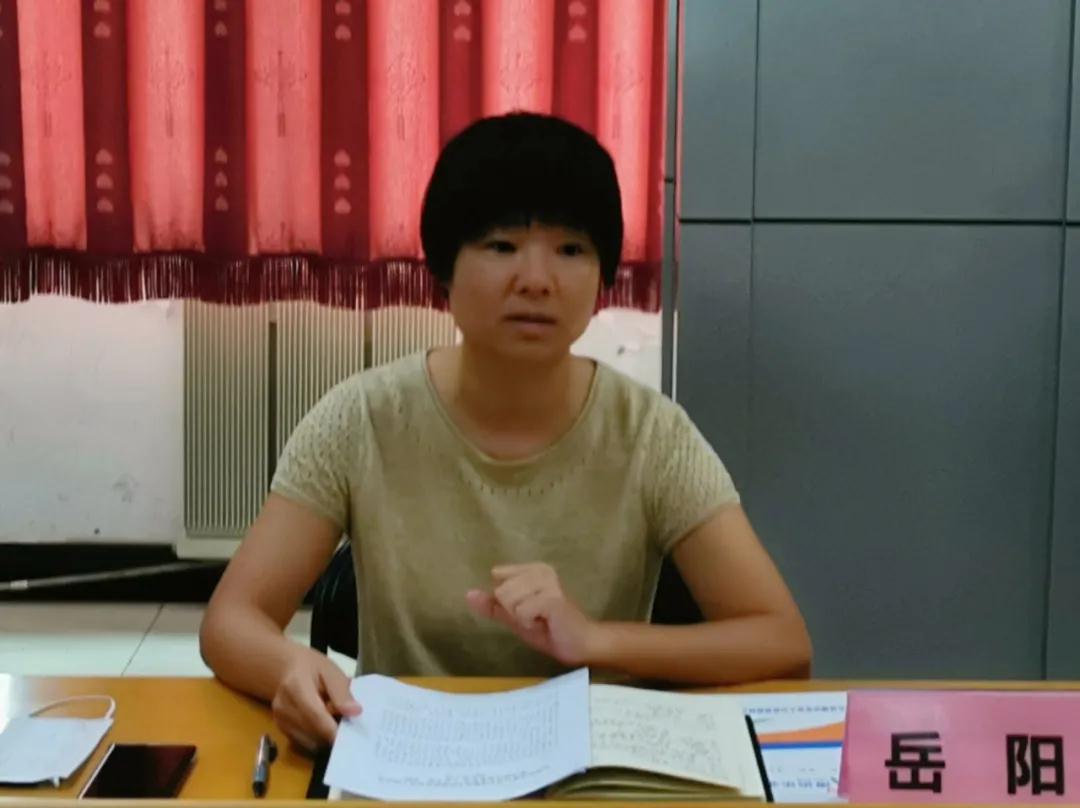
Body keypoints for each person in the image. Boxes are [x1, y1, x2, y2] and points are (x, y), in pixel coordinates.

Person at [199, 112, 811, 752]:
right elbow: (231, 619)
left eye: (571, 250)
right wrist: (289, 666)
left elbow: (781, 641)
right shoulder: (362, 419)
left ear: (603, 278)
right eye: (501, 246)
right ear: (444, 269)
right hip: (405, 763)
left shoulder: (651, 435)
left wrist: (596, 639)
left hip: (589, 767)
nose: (537, 280)